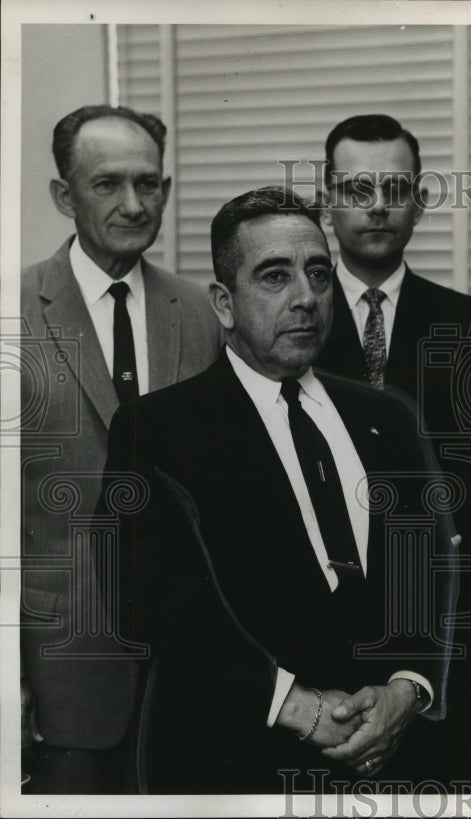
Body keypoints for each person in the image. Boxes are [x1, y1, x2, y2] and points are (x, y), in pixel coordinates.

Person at [100, 187, 453, 793]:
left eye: (318, 274)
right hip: (231, 762)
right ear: (224, 302)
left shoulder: (387, 417)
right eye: (274, 277)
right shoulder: (157, 429)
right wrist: (296, 707)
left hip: (384, 759)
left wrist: (405, 689)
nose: (306, 298)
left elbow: (426, 568)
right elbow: (148, 602)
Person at [19, 104, 221, 793]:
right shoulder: (13, 311)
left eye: (150, 183)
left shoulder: (198, 310)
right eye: (108, 184)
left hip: (192, 672)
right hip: (62, 680)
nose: (134, 204)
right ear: (63, 195)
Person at [314, 114, 471, 781]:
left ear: (420, 202)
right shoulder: (293, 316)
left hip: (439, 621)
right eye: (358, 187)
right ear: (328, 198)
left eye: (395, 188)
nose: (377, 205)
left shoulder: (465, 320)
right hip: (321, 618)